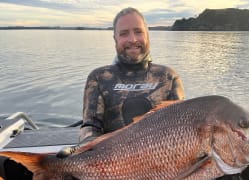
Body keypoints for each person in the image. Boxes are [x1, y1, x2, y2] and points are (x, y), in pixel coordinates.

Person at [57, 7, 185, 158]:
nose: (132, 39)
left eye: (138, 31)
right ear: (115, 39)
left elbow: (181, 127)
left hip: (161, 162)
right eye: (124, 33)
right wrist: (82, 149)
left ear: (147, 35)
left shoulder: (168, 77)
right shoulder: (98, 77)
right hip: (110, 164)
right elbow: (91, 126)